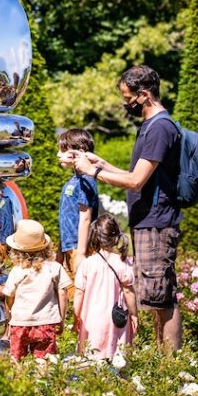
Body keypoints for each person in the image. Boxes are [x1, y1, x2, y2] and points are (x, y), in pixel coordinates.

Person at [74, 64, 182, 351]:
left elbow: (136, 181)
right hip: (147, 220)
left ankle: (171, 363)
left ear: (144, 95)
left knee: (162, 296)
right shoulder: (149, 127)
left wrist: (92, 173)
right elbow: (137, 174)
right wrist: (102, 164)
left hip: (157, 221)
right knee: (154, 295)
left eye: (127, 98)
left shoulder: (160, 128)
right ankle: (161, 358)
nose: (126, 104)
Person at [0, 219, 70, 361]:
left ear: (17, 250)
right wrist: (61, 318)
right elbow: (63, 292)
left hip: (20, 323)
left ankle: (20, 381)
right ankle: (41, 381)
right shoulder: (55, 268)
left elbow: (9, 295)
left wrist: (9, 310)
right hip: (46, 322)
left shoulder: (17, 271)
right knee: (44, 361)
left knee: (17, 360)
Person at [72, 213, 137, 358]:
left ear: (95, 236)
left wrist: (76, 316)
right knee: (117, 360)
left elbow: (78, 294)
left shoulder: (87, 264)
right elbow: (129, 292)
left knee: (90, 360)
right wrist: (134, 315)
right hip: (117, 319)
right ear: (115, 237)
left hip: (91, 320)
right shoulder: (123, 262)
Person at [56, 128, 100, 297]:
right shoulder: (73, 181)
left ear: (79, 152)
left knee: (82, 295)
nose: (58, 155)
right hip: (69, 247)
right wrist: (60, 252)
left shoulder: (86, 180)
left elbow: (85, 217)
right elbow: (65, 219)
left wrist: (81, 253)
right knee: (69, 295)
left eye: (63, 150)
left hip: (80, 248)